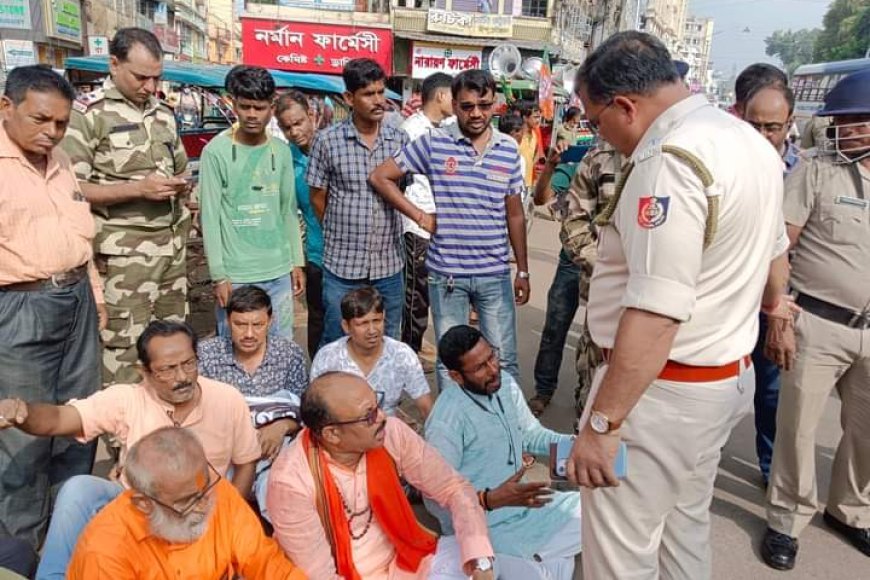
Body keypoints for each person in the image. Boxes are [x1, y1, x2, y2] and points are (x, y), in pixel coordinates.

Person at [565, 31, 791, 580]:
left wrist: (602, 423)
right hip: (716, 382)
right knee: (684, 532)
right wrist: (778, 312)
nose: (601, 134)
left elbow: (656, 311)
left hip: (660, 394)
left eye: (597, 121)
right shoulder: (750, 143)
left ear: (625, 105)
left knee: (620, 553)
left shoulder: (670, 159)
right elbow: (775, 253)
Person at [0, 320, 261, 579]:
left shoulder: (227, 399)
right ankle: (52, 577)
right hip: (138, 508)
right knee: (79, 488)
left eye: (188, 364)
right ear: (144, 372)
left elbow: (246, 463)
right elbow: (59, 419)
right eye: (167, 370)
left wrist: (225, 522)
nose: (182, 377)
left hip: (198, 511)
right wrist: (23, 414)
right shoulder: (127, 399)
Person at [761, 68, 870, 570]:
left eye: (861, 120)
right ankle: (786, 519)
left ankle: (849, 510)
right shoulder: (816, 171)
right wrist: (778, 314)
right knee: (798, 428)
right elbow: (780, 246)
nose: (851, 129)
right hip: (816, 322)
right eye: (844, 120)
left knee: (866, 432)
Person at [370, 69, 529, 389]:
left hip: (494, 274)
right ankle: (451, 432)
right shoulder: (433, 143)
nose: (476, 113)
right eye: (467, 106)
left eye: (484, 105)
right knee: (449, 362)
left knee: (505, 358)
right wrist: (420, 215)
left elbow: (515, 214)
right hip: (447, 277)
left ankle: (508, 426)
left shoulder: (508, 149)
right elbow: (380, 177)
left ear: (494, 103)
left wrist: (522, 270)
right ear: (454, 104)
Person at [0, 65, 105, 548]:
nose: (52, 132)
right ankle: (21, 552)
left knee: (79, 421)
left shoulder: (61, 161)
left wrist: (97, 299)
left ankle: (72, 539)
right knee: (22, 432)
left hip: (77, 301)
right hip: (19, 307)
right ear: (7, 107)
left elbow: (80, 239)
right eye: (41, 120)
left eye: (61, 123)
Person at [267, 372, 495, 579]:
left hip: (406, 564)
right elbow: (318, 575)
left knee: (479, 555)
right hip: (344, 575)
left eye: (377, 405)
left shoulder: (391, 434)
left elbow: (453, 488)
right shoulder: (290, 482)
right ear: (333, 434)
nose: (382, 417)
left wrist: (480, 564)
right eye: (369, 416)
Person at [62, 28, 191, 385]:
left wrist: (181, 186)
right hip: (122, 261)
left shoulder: (163, 112)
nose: (150, 86)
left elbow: (180, 168)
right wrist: (138, 189)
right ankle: (124, 438)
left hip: (171, 254)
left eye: (156, 77)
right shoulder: (88, 114)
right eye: (141, 77)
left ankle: (166, 430)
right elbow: (73, 191)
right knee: (124, 350)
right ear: (114, 64)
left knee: (172, 344)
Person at [425, 325, 582, 579]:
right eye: (480, 368)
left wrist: (580, 447)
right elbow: (434, 497)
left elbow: (531, 435)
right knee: (539, 573)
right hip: (486, 528)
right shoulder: (447, 421)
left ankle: (543, 558)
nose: (493, 369)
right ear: (456, 376)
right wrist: (490, 499)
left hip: (529, 506)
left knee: (598, 508)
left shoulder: (504, 383)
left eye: (492, 357)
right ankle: (539, 561)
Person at [67, 427, 305, 579]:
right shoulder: (105, 552)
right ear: (144, 503)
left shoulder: (214, 491)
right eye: (188, 501)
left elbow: (266, 564)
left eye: (204, 489)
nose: (204, 506)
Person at [199, 65, 305, 341]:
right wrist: (219, 276)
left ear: (271, 107)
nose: (251, 115)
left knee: (280, 346)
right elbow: (209, 217)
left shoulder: (281, 151)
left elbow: (287, 211)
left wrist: (296, 262)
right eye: (244, 106)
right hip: (237, 274)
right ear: (232, 102)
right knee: (237, 348)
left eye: (259, 108)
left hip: (279, 271)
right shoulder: (215, 152)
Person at [307, 58, 408, 345]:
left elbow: (403, 190)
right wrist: (341, 233)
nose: (378, 101)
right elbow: (317, 196)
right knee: (338, 338)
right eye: (368, 94)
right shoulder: (327, 141)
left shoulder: (399, 140)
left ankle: (379, 393)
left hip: (388, 264)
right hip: (342, 266)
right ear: (349, 98)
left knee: (386, 341)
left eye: (380, 92)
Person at [733, 62, 802, 488]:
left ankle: (769, 467)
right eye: (754, 125)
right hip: (731, 300)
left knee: (771, 392)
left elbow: (789, 247)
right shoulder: (724, 166)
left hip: (777, 304)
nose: (763, 138)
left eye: (772, 128)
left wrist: (780, 309)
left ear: (788, 124)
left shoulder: (803, 172)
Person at [198, 285, 308, 518]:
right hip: (224, 450)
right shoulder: (207, 354)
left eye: (257, 325)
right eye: (240, 324)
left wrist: (281, 426)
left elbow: (303, 410)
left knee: (284, 500)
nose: (249, 334)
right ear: (228, 321)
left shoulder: (289, 354)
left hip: (274, 449)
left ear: (270, 321)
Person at [311, 286, 432, 422]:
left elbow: (425, 406)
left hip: (388, 433)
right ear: (346, 326)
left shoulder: (402, 355)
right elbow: (315, 409)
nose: (372, 330)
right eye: (363, 324)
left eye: (377, 321)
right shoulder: (328, 357)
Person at [398, 72, 453, 369]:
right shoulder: (412, 130)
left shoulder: (445, 128)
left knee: (430, 290)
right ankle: (409, 353)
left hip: (440, 224)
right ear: (442, 96)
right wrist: (416, 215)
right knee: (414, 293)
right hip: (416, 223)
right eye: (454, 96)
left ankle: (417, 344)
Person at [275, 90, 326, 356]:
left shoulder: (334, 147)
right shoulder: (285, 159)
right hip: (316, 254)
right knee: (317, 320)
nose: (294, 132)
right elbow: (286, 212)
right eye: (287, 127)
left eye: (298, 123)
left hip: (352, 254)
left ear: (312, 116)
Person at [516, 100, 543, 187]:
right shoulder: (517, 136)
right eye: (535, 117)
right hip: (516, 186)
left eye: (539, 117)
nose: (538, 120)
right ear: (525, 118)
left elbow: (535, 157)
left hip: (528, 184)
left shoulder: (534, 135)